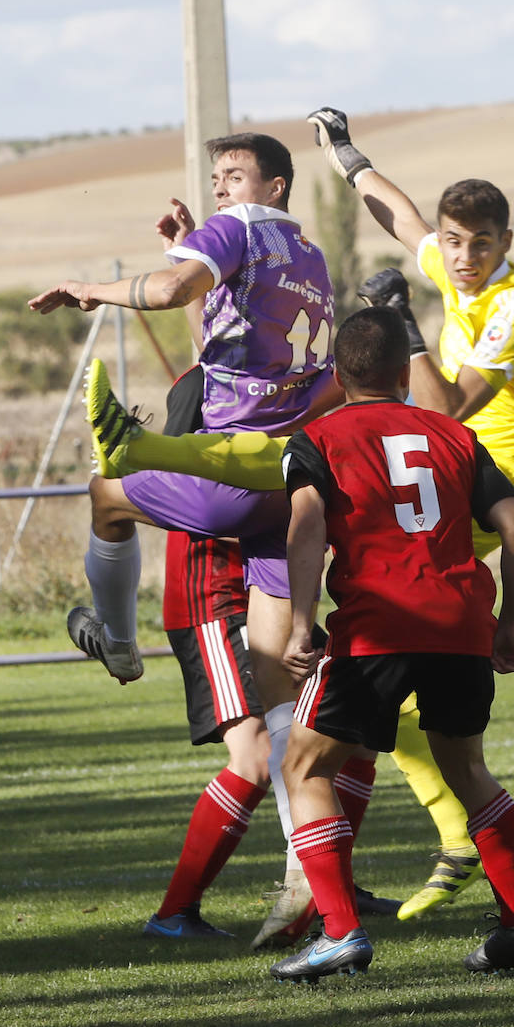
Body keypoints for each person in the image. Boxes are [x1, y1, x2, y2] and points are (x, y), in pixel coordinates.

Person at [87, 107, 514, 932]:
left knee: (282, 486)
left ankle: (325, 910)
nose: (460, 257)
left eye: (479, 244)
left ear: (506, 241)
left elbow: (449, 405)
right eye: (455, 245)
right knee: (373, 731)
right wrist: (348, 156)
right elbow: (405, 216)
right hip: (446, 497)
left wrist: (405, 321)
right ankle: (476, 888)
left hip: (478, 480)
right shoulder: (428, 280)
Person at [29, 132, 338, 944]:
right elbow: (237, 339)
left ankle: (119, 643)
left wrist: (91, 287)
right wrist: (186, 251)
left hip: (230, 484)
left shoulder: (237, 229)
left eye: (234, 176)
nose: (222, 187)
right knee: (281, 708)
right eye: (215, 178)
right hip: (285, 478)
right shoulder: (308, 252)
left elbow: (167, 292)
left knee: (106, 495)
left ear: (274, 181)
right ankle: (306, 882)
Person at [269, 305, 514, 982]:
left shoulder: (318, 439)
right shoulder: (454, 433)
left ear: (338, 375)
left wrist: (302, 621)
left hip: (378, 627)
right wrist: (510, 622)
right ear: (403, 373)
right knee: (468, 770)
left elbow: (306, 530)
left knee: (305, 771)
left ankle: (341, 934)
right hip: (460, 626)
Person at [142, 368, 398, 941]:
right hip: (216, 603)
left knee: (350, 743)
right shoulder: (209, 444)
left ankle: (328, 881)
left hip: (272, 593)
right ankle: (173, 914)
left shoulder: (270, 410)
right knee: (257, 757)